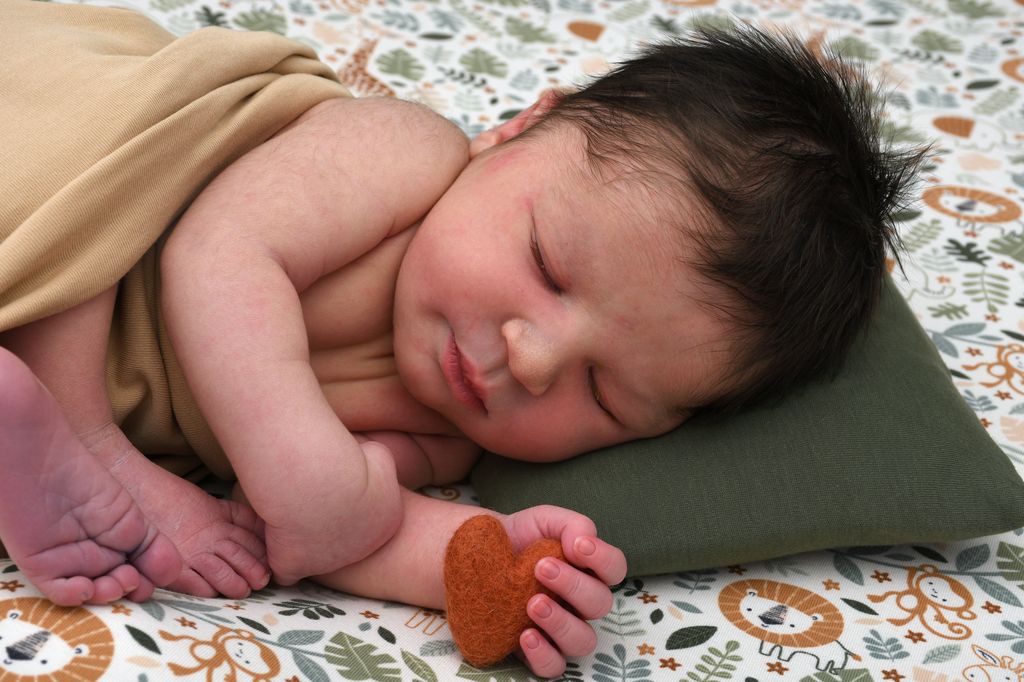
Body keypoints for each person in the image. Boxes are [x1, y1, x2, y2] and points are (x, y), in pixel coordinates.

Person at [0, 2, 922, 675]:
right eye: (548, 265)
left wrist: (489, 569)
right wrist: (304, 470)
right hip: (92, 144)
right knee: (112, 179)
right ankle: (82, 435)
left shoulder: (448, 434)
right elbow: (218, 253)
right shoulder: (404, 155)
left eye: (603, 393)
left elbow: (342, 526)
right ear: (517, 132)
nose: (532, 358)